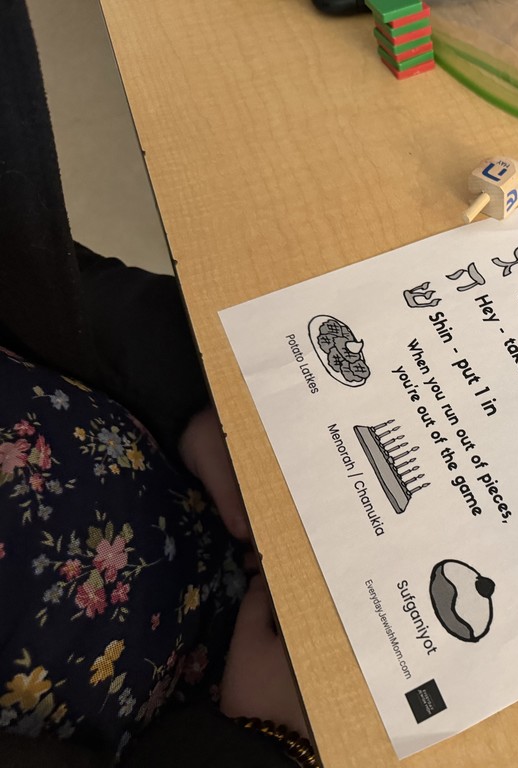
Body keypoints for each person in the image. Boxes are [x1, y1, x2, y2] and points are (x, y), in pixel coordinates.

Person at [0, 1, 317, 764]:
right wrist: (267, 741)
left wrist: (199, 400)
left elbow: (33, 273)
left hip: (205, 479)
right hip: (213, 715)